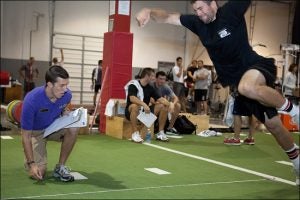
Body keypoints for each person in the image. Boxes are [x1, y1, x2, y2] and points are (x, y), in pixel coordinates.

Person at [136, 0, 299, 185]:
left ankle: (294, 111)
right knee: (274, 126)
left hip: (255, 67)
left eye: (201, 8)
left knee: (247, 87)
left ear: (213, 4)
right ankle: (297, 162)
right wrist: (149, 10)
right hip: (238, 82)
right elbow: (168, 16)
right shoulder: (197, 22)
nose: (198, 13)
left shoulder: (230, 10)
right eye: (195, 9)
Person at [21, 65, 79, 182]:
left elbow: (61, 107)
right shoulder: (31, 100)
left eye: (66, 85)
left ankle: (60, 167)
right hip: (35, 133)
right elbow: (25, 135)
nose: (65, 89)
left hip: (53, 128)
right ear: (49, 84)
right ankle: (29, 160)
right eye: (61, 85)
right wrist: (32, 164)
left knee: (73, 127)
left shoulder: (67, 95)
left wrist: (64, 111)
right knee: (39, 173)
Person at [124, 68, 170, 143]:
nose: (154, 78)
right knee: (135, 106)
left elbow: (160, 99)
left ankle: (160, 133)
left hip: (143, 113)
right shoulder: (133, 84)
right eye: (152, 76)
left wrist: (169, 104)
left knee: (163, 106)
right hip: (131, 112)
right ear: (147, 76)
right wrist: (144, 104)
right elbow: (132, 98)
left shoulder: (150, 88)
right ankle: (135, 134)